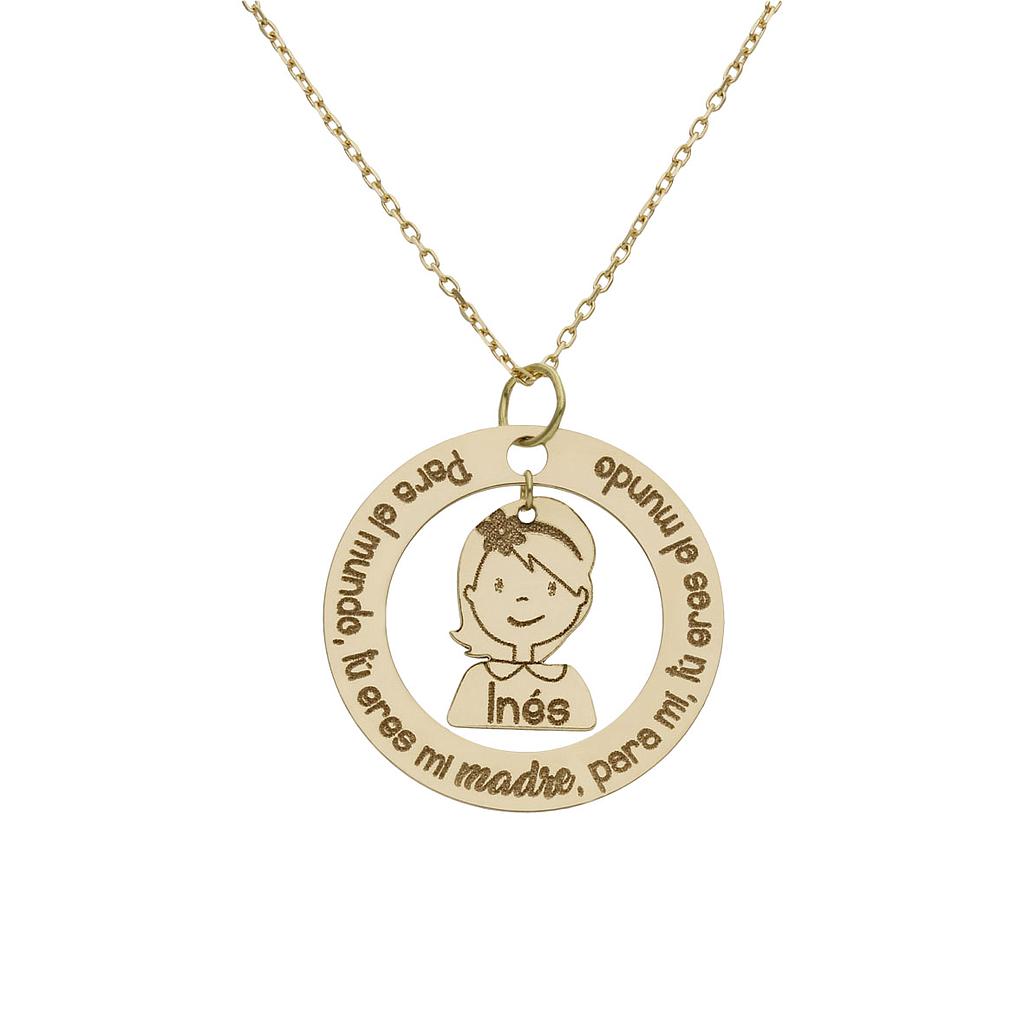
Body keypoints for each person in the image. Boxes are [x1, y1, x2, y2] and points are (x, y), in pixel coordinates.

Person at [448, 497, 596, 730]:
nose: (523, 599)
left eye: (550, 589)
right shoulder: (478, 680)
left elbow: (583, 721)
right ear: (471, 594)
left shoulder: (567, 681)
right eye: (499, 586)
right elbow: (460, 718)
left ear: (580, 596)